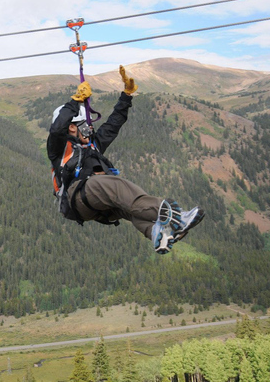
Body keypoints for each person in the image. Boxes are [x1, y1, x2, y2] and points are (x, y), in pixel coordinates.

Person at [47, 66, 204, 254]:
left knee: (130, 210)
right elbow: (57, 130)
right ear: (72, 128)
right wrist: (75, 102)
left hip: (97, 205)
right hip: (79, 196)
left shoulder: (93, 146)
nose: (90, 129)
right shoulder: (59, 148)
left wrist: (126, 96)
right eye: (85, 126)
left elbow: (114, 124)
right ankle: (176, 218)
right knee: (117, 187)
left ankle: (156, 234)